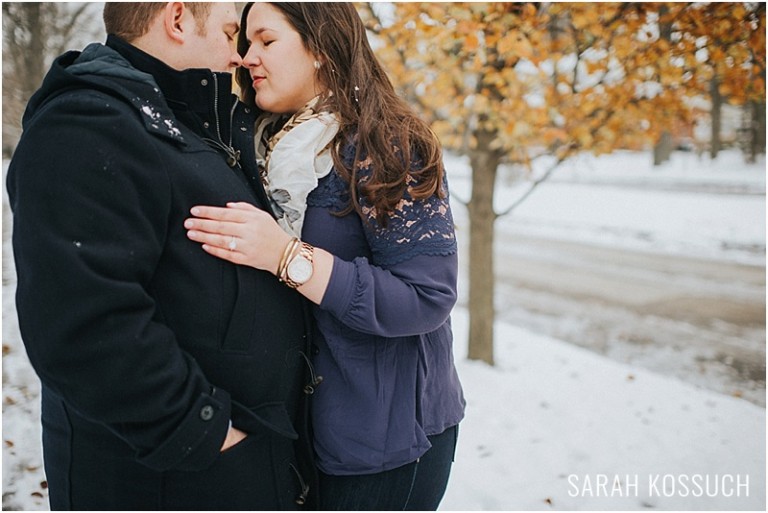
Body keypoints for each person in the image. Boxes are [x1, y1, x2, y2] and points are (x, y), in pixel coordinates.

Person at [6, 3, 317, 510]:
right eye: (229, 32)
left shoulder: (184, 119)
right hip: (172, 480)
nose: (239, 56)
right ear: (176, 20)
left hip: (232, 470)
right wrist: (205, 432)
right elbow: (83, 323)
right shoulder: (89, 123)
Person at [184, 3, 466, 510]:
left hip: (384, 443)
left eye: (266, 41)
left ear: (319, 47)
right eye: (246, 43)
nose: (247, 58)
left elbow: (427, 297)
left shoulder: (385, 143)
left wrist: (287, 257)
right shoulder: (264, 146)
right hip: (301, 428)